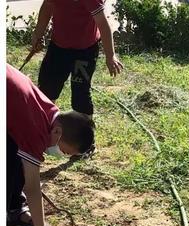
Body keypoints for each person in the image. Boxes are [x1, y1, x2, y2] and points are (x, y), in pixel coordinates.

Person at [7, 64, 95, 226]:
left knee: (15, 154)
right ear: (57, 132)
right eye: (65, 152)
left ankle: (14, 208)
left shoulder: (49, 111)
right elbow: (32, 188)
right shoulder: (35, 131)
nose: (60, 155)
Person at [31, 0, 123, 156]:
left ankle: (85, 144)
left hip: (85, 50)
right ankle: (41, 136)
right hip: (58, 47)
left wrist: (110, 55)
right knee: (46, 92)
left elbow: (102, 22)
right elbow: (47, 6)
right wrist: (38, 34)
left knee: (81, 96)